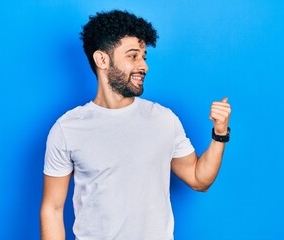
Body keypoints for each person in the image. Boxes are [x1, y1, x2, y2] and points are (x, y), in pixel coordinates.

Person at [40, 9, 231, 240]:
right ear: (102, 59)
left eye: (144, 57)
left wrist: (219, 134)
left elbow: (199, 179)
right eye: (132, 56)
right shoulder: (67, 129)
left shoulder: (164, 119)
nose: (144, 66)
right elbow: (52, 209)